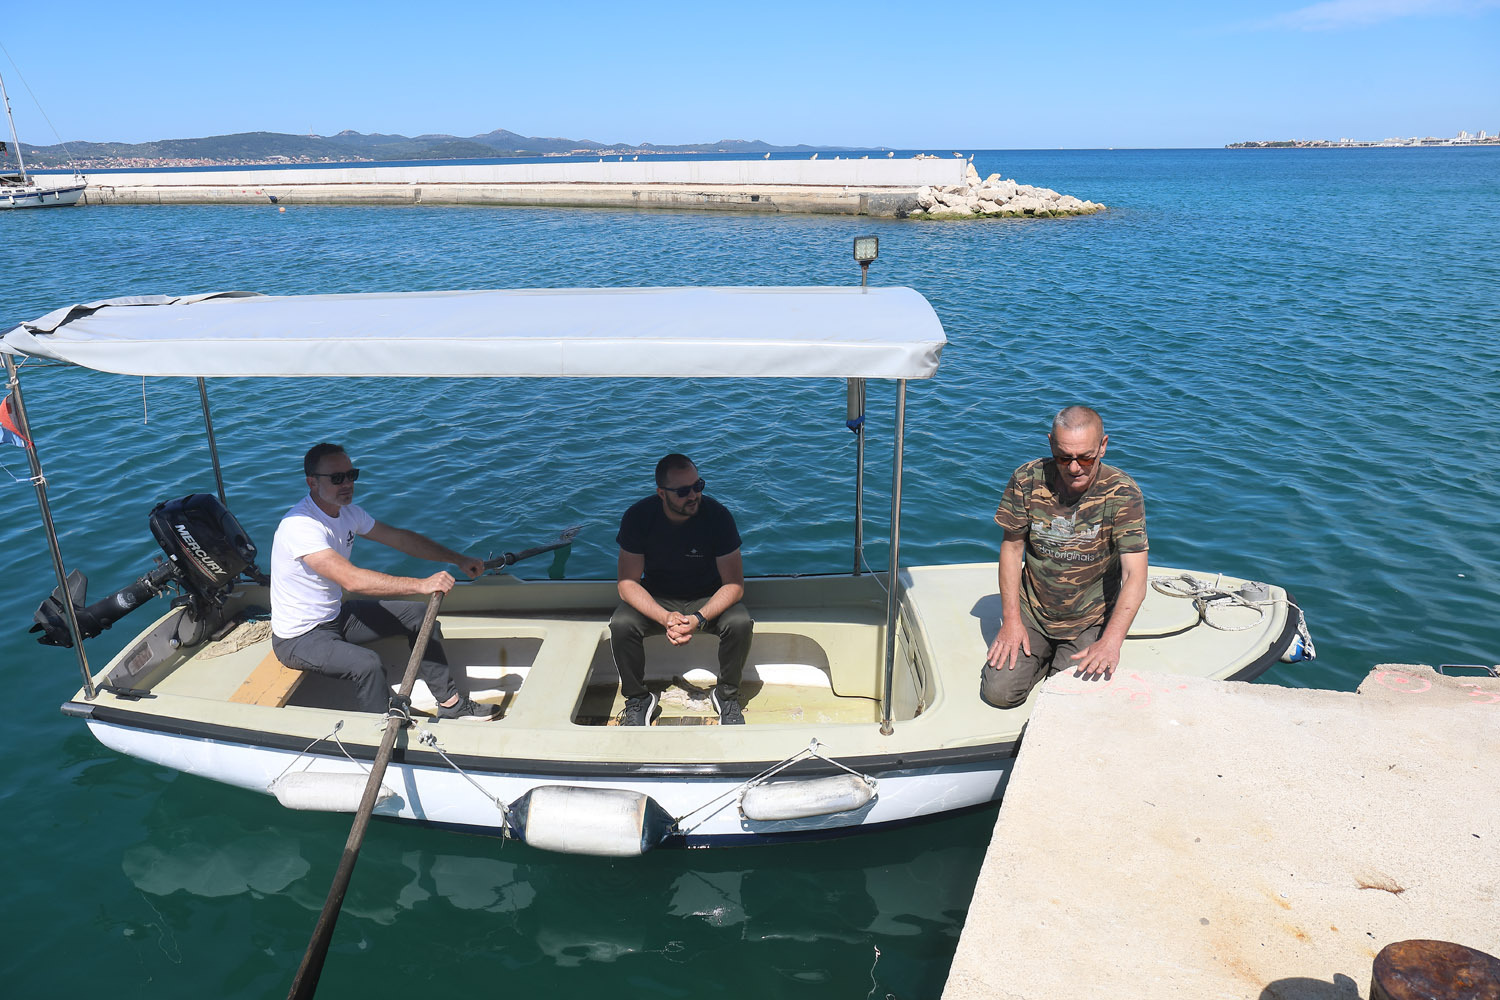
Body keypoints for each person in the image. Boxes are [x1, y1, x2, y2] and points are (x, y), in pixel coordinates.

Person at [270, 442, 497, 719]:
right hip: (299, 638)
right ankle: (378, 729)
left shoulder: (348, 513)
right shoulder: (300, 526)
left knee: (419, 616)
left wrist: (457, 559)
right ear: (312, 482)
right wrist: (421, 584)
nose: (347, 484)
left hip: (336, 616)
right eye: (337, 478)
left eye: (351, 475)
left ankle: (451, 705)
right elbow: (351, 580)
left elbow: (400, 539)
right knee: (367, 664)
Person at [981, 406, 1149, 709]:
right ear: (1050, 444)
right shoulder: (1026, 479)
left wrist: (1111, 642)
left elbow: (1134, 574)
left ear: (1103, 446)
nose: (1074, 468)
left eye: (1085, 458)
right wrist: (1012, 621)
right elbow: (1012, 549)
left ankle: (1056, 661)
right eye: (1063, 457)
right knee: (998, 694)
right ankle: (1043, 656)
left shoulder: (1123, 493)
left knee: (1067, 704)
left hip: (1089, 620)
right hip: (1033, 612)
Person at [610, 453, 753, 726]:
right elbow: (627, 584)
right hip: (658, 598)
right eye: (683, 491)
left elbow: (734, 586)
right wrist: (665, 617)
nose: (693, 495)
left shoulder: (718, 516)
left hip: (707, 597)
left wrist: (699, 618)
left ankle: (726, 697)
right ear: (661, 493)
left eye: (698, 486)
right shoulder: (638, 517)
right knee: (622, 623)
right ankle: (638, 699)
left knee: (739, 622)